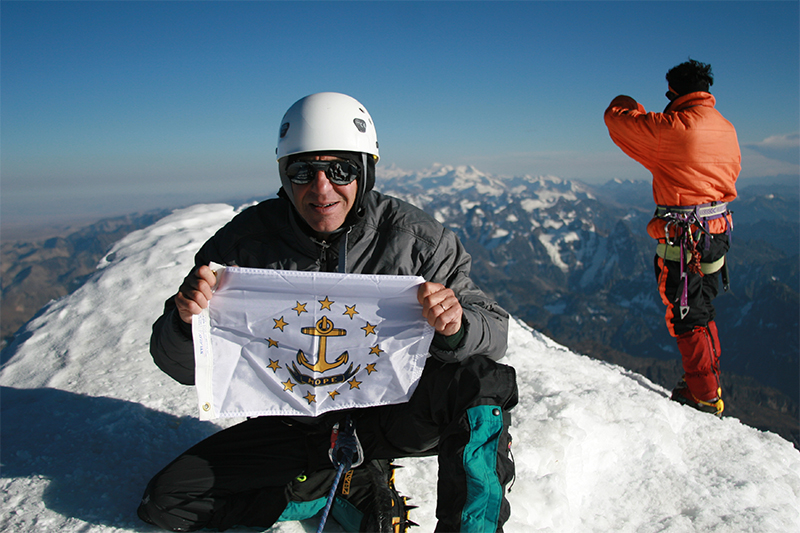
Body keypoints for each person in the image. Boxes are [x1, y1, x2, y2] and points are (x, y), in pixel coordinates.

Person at [137, 92, 518, 533]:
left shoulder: (414, 239)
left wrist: (457, 326)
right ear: (284, 175)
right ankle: (329, 487)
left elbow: (494, 332)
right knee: (167, 501)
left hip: (391, 410)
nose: (321, 189)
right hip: (296, 425)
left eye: (341, 170)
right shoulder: (242, 246)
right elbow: (179, 366)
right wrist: (187, 324)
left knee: (481, 382)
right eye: (302, 171)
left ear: (365, 172)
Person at [604, 59, 740, 416]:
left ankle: (704, 395)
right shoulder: (727, 128)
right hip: (718, 232)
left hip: (684, 240)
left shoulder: (672, 129)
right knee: (702, 309)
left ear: (674, 92)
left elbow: (617, 119)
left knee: (686, 316)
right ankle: (706, 383)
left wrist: (632, 102)